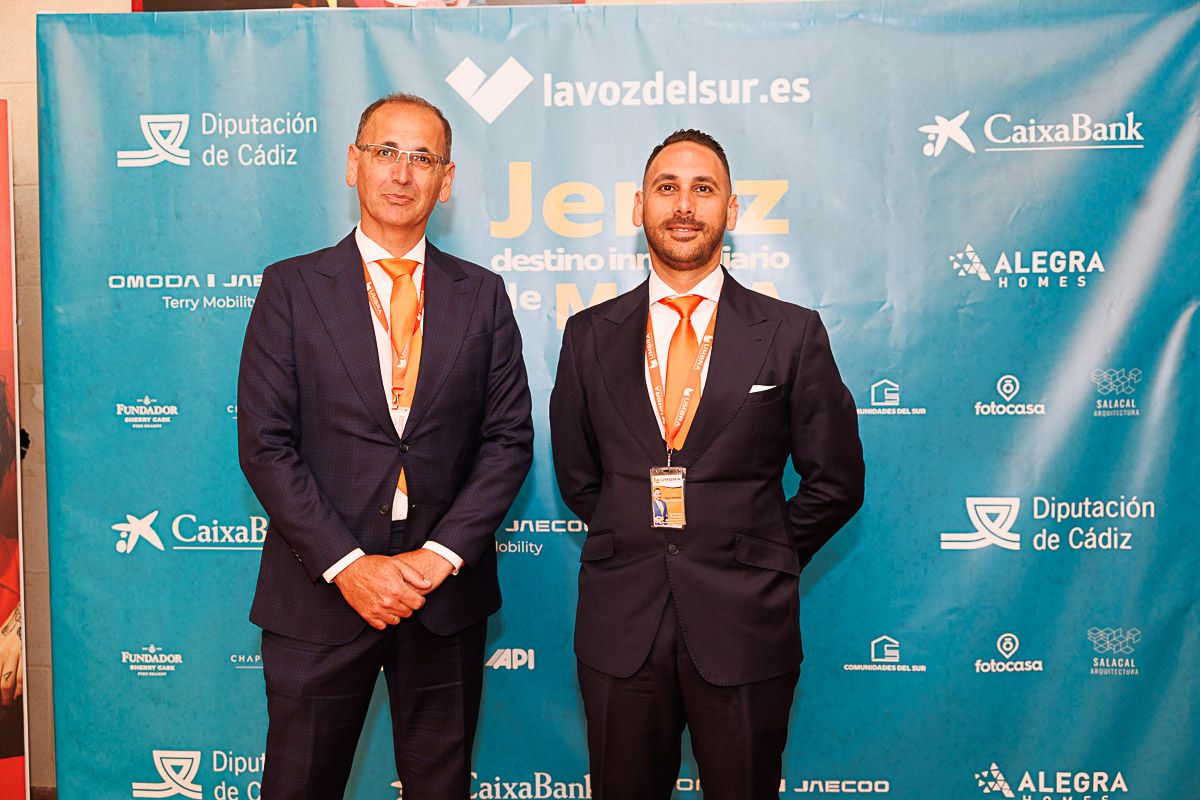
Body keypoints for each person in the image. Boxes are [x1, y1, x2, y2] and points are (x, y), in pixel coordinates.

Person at [549, 129, 865, 800]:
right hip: (621, 627)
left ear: (732, 209)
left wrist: (762, 551)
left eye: (703, 189)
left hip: (745, 623)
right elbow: (578, 477)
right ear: (638, 207)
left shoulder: (791, 332)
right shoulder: (588, 334)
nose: (684, 205)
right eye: (667, 188)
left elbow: (836, 481)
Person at [238, 93, 533, 799]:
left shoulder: (483, 295)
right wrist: (349, 567)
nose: (402, 173)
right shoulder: (290, 288)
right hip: (319, 593)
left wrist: (436, 559)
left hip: (443, 599)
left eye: (423, 158)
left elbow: (508, 440)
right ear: (353, 164)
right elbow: (265, 444)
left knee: (439, 786)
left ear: (446, 180)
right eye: (386, 152)